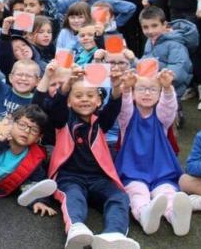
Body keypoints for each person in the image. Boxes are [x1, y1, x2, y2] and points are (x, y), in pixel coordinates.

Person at [38, 62, 139, 249]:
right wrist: (67, 85)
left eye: (90, 95)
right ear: (69, 101)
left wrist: (116, 86)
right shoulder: (63, 121)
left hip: (99, 178)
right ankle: (76, 228)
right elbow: (55, 109)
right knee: (73, 198)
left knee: (119, 198)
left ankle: (114, 234)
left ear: (99, 101)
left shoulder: (100, 123)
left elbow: (113, 109)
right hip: (70, 178)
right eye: (78, 95)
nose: (84, 99)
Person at [115, 69, 192, 236]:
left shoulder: (162, 117)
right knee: (137, 193)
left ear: (159, 95)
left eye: (153, 89)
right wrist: (126, 89)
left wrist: (168, 88)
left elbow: (169, 106)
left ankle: (175, 216)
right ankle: (144, 215)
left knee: (167, 192)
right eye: (141, 89)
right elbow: (124, 106)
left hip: (160, 171)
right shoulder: (127, 118)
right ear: (134, 94)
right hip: (132, 171)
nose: (147, 93)